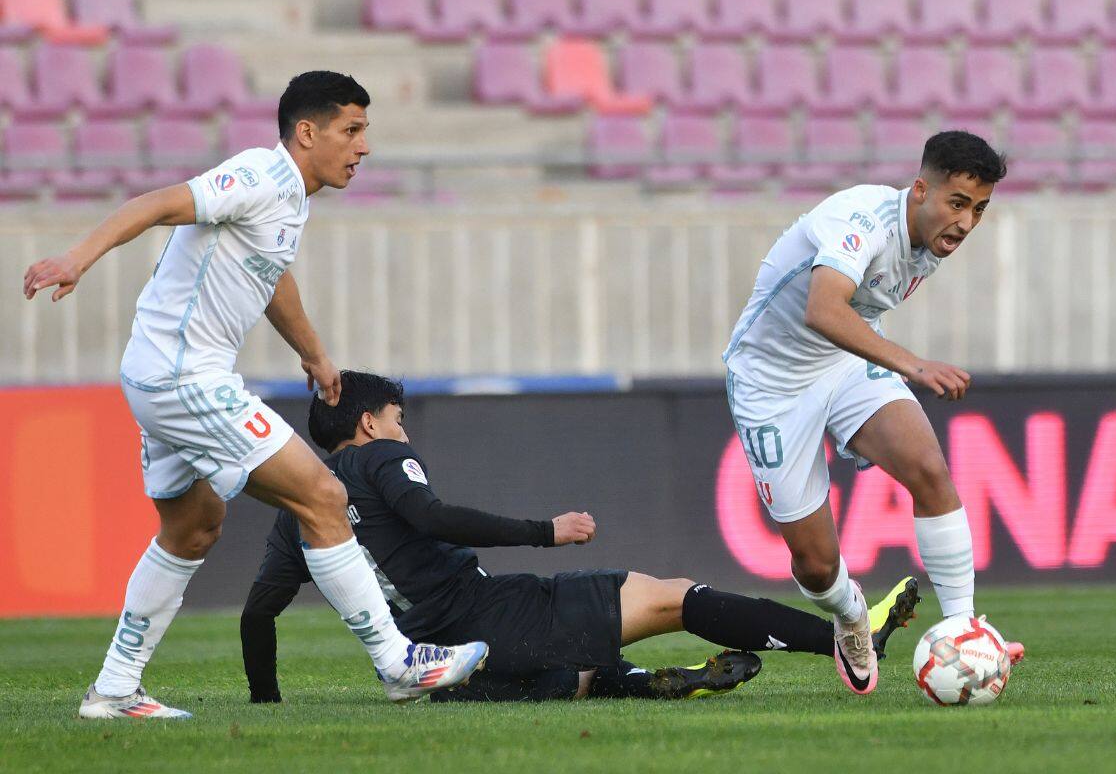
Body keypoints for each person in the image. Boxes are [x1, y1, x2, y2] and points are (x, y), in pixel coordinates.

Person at [23, 72, 486, 719]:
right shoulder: (259, 177)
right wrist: (78, 257)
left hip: (159, 374)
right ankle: (398, 662)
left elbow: (272, 279)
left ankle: (114, 690)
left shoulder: (290, 200)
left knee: (192, 529)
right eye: (351, 130)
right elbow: (158, 203)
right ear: (307, 132)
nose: (363, 147)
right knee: (323, 496)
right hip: (186, 376)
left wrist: (315, 354)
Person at [239, 371, 921, 703]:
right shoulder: (378, 459)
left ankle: (651, 683)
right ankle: (843, 639)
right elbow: (432, 518)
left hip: (440, 676)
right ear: (365, 424)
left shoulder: (295, 513)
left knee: (561, 673)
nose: (403, 430)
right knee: (671, 597)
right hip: (483, 617)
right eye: (396, 418)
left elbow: (257, 614)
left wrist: (266, 706)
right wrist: (546, 531)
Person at [723, 131, 1025, 697]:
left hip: (842, 364)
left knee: (930, 471)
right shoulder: (860, 220)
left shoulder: (929, 240)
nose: (965, 222)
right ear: (919, 190)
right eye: (957, 204)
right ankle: (849, 612)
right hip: (771, 385)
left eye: (979, 209)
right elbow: (822, 307)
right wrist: (911, 364)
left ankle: (966, 630)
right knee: (815, 565)